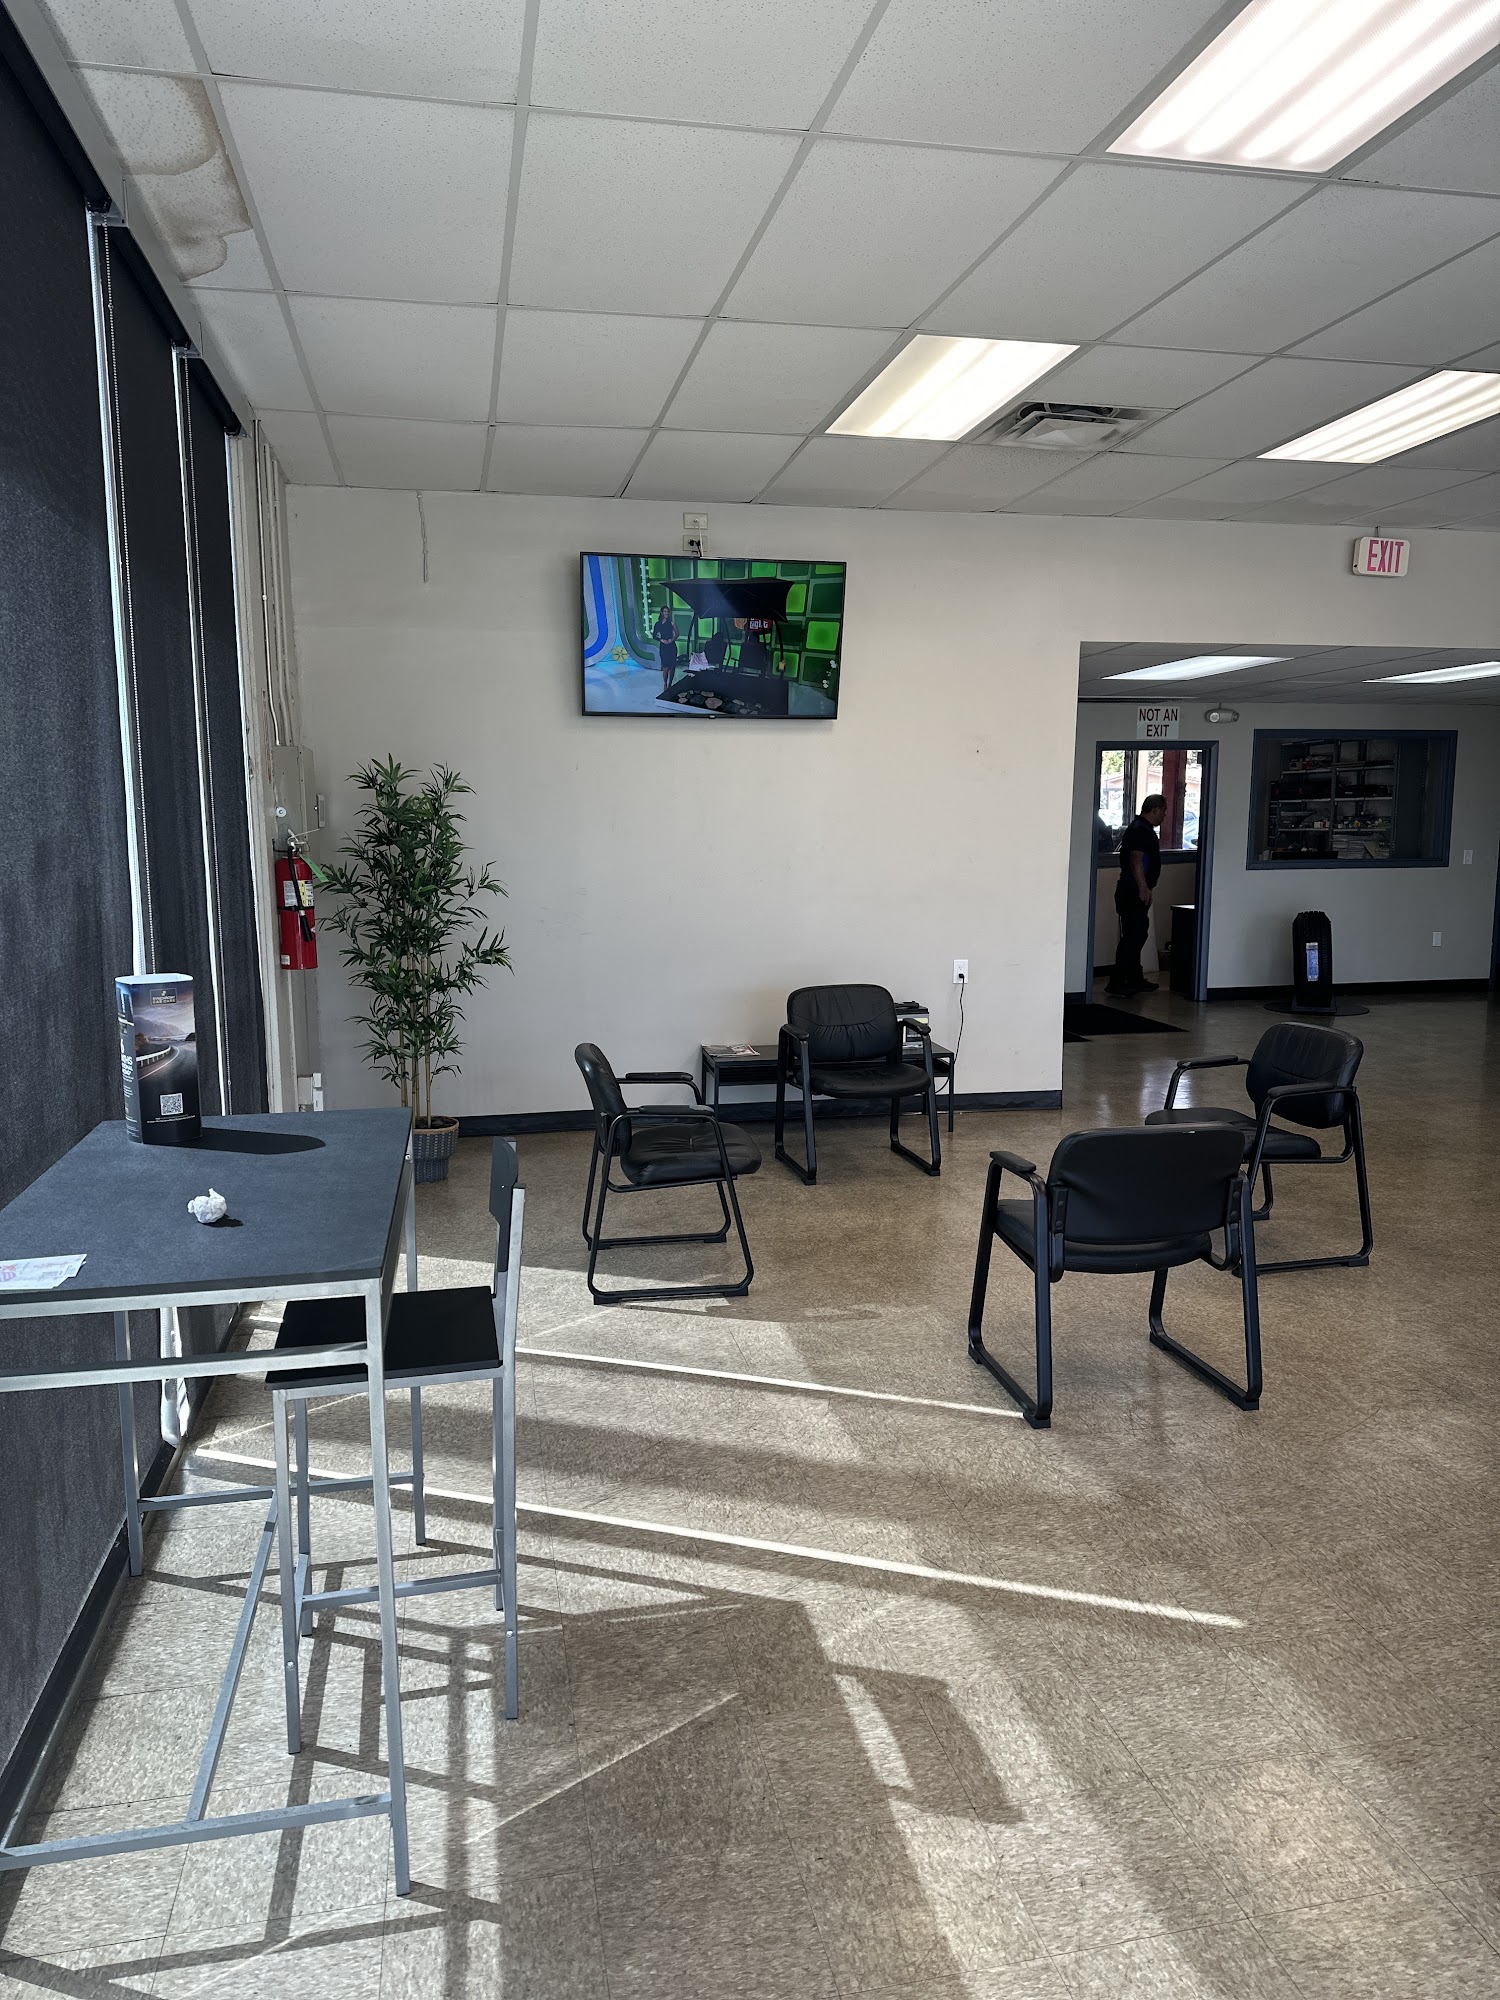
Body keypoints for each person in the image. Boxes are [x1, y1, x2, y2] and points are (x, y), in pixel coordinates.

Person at [1107, 793, 1166, 996]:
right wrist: (1143, 887)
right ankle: (1117, 982)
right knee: (1133, 936)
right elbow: (1136, 860)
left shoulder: (1143, 828)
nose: (1164, 816)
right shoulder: (1140, 830)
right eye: (1163, 812)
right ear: (1155, 809)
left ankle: (1134, 978)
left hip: (1133, 890)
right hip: (1132, 891)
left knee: (1138, 934)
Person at [651, 604, 679, 694]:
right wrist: (661, 640)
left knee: (672, 667)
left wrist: (671, 639)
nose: (666, 613)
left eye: (667, 611)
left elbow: (677, 634)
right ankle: (665, 684)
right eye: (664, 611)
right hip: (663, 647)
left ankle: (670, 684)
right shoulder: (658, 624)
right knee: (665, 667)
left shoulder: (672, 623)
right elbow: (654, 636)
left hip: (672, 647)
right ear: (662, 613)